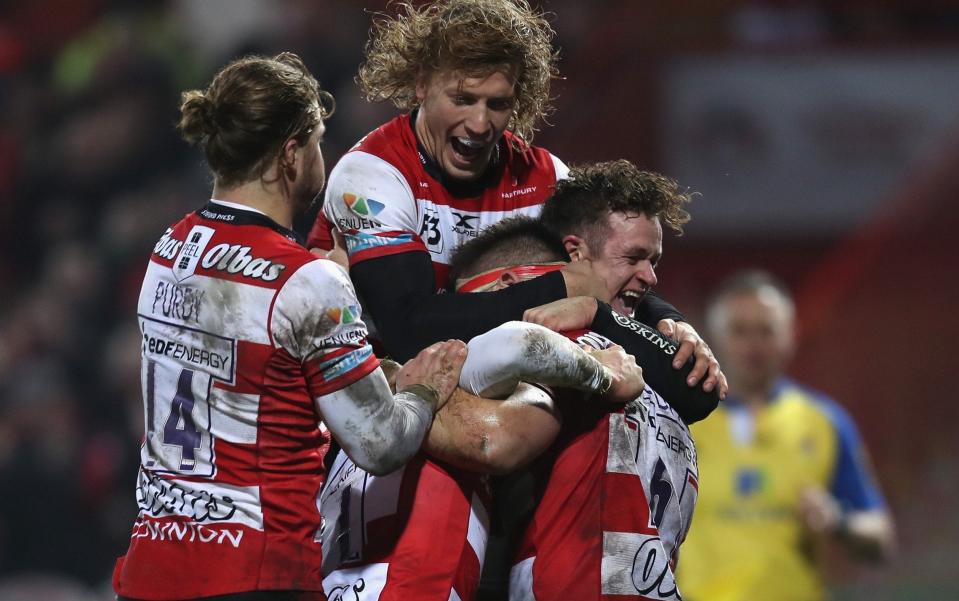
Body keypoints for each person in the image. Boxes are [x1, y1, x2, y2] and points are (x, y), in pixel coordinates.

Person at [112, 52, 467, 601]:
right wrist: (424, 389)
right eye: (320, 141)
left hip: (150, 572)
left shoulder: (168, 250)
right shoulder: (306, 282)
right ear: (291, 154)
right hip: (254, 577)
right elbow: (380, 442)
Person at [306, 0, 724, 402]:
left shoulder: (543, 178)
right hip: (383, 396)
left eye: (498, 104)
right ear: (421, 84)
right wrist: (560, 287)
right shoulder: (372, 175)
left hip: (497, 391)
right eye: (463, 99)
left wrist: (669, 321)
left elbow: (607, 274)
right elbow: (409, 331)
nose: (480, 123)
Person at [448, 216, 699, 601]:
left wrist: (408, 391)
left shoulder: (561, 346)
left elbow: (495, 442)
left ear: (506, 288)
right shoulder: (661, 379)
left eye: (472, 303)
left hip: (577, 585)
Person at [677, 270, 896, 601]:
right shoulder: (681, 421)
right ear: (713, 338)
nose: (753, 344)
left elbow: (880, 538)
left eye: (766, 330)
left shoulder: (823, 423)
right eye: (739, 330)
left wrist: (837, 521)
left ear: (790, 336)